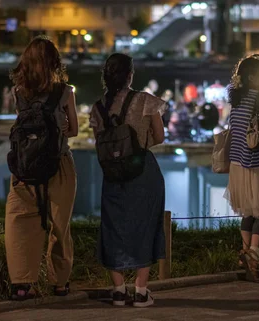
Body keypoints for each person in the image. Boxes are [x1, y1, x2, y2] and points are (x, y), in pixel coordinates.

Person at [89, 53, 166, 307]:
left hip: (112, 175)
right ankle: (141, 291)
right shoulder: (145, 101)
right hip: (143, 171)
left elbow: (100, 141)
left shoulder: (98, 107)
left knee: (113, 227)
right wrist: (138, 145)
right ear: (130, 75)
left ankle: (119, 290)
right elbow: (159, 136)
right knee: (146, 225)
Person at [5, 36, 78, 300]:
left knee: (21, 222)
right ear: (53, 62)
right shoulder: (66, 91)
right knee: (60, 226)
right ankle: (59, 283)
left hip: (24, 168)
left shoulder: (19, 92)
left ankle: (23, 284)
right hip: (58, 163)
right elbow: (74, 130)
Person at [224, 55, 259, 280]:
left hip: (238, 165)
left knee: (248, 212)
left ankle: (245, 252)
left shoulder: (236, 99)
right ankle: (254, 256)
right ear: (251, 77)